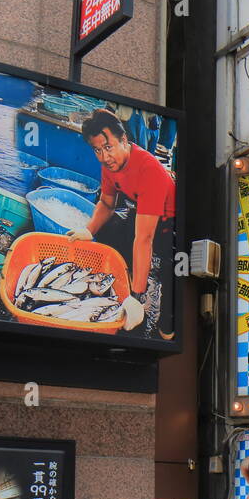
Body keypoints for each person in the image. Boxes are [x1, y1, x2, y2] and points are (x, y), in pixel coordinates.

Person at [68, 109, 175, 335]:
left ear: (124, 140)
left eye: (108, 147)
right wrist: (89, 230)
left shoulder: (148, 170)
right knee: (107, 230)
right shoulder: (110, 165)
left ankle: (162, 320)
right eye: (97, 150)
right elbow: (107, 203)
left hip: (171, 225)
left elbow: (144, 239)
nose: (104, 157)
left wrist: (136, 297)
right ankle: (125, 279)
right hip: (140, 211)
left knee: (167, 299)